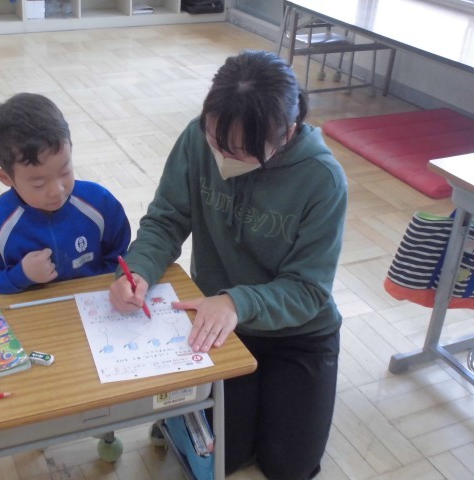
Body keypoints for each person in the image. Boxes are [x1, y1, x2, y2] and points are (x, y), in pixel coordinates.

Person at [109, 50, 347, 479]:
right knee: (225, 455)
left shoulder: (322, 178)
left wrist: (237, 302)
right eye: (215, 141)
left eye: (239, 151)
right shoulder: (196, 138)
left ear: (287, 134)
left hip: (297, 334)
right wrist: (139, 269)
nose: (221, 156)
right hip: (215, 323)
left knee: (289, 467)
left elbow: (310, 290)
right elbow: (166, 219)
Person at [0, 92, 131, 296]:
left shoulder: (100, 203)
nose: (57, 190)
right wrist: (19, 275)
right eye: (38, 184)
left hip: (95, 308)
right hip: (31, 313)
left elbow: (122, 259)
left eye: (65, 171)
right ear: (5, 177)